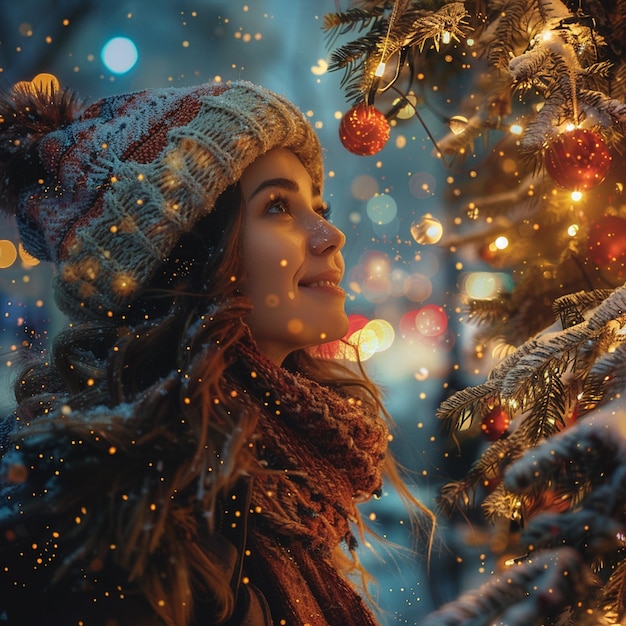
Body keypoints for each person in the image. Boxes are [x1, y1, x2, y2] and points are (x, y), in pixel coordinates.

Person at [0, 79, 431, 625]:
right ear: (187, 258)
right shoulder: (129, 513)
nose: (329, 235)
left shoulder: (267, 470)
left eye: (317, 206)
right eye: (278, 206)